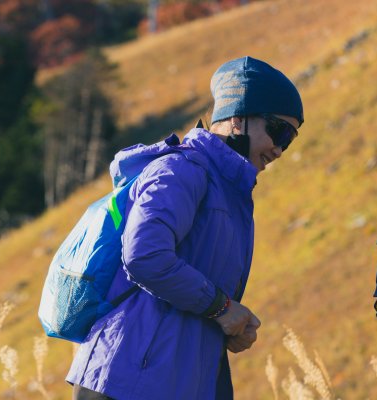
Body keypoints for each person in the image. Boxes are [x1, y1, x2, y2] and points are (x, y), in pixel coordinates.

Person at [66, 56, 304, 400]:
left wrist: (228, 327)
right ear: (238, 119)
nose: (280, 149)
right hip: (126, 381)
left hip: (172, 381)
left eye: (291, 139)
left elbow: (187, 296)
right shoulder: (182, 170)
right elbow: (145, 256)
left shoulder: (230, 191)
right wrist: (222, 308)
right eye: (278, 130)